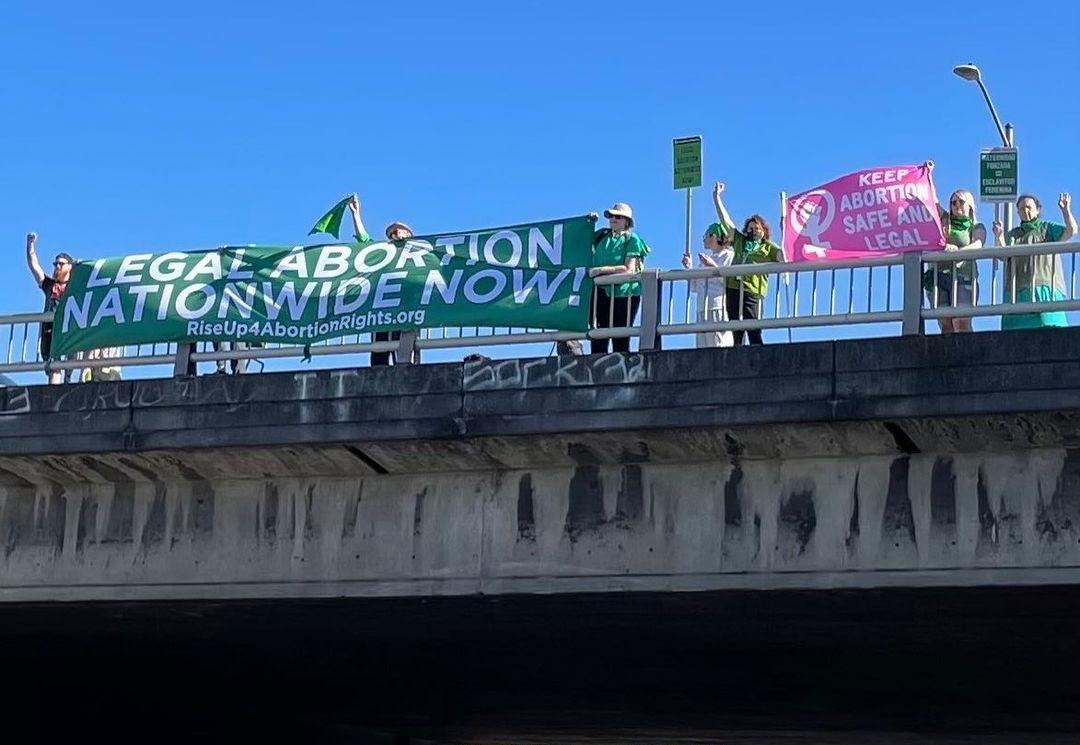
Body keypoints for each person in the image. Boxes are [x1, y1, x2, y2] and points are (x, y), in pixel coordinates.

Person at [347, 195, 419, 364]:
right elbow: (364, 242)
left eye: (400, 231)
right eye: (393, 232)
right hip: (382, 308)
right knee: (380, 350)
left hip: (405, 308)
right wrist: (356, 215)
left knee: (404, 349)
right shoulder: (382, 254)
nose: (397, 234)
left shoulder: (418, 255)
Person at [711, 182, 784, 346]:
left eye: (757, 228)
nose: (753, 230)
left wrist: (785, 233)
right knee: (735, 326)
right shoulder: (740, 240)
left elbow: (782, 257)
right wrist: (717, 198)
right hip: (734, 286)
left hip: (752, 288)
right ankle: (736, 353)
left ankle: (757, 352)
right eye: (750, 227)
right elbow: (726, 222)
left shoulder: (768, 247)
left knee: (753, 325)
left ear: (764, 230)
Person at [993, 193, 1077, 330]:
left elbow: (1071, 231)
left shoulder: (1047, 228)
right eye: (1021, 208)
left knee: (1050, 328)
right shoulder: (1013, 234)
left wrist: (1066, 210)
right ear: (1017, 212)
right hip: (1017, 291)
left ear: (1037, 209)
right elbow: (1002, 255)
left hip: (1045, 288)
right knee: (1016, 334)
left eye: (1029, 207)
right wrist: (999, 236)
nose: (1025, 211)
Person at [588, 202, 650, 355]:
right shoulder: (602, 235)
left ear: (626, 221)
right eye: (611, 216)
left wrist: (601, 271)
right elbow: (581, 238)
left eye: (618, 217)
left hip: (625, 294)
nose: (613, 219)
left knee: (620, 337)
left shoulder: (632, 239)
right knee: (598, 336)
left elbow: (629, 269)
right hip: (601, 292)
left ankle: (622, 370)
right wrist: (588, 223)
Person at [924, 189, 985, 333]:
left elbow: (978, 243)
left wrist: (957, 251)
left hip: (964, 276)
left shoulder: (976, 226)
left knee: (961, 321)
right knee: (945, 322)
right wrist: (927, 173)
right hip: (938, 276)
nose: (957, 205)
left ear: (969, 205)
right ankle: (947, 355)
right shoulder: (944, 221)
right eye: (953, 202)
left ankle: (967, 353)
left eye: (961, 201)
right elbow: (932, 200)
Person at [25, 232, 73, 385]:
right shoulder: (49, 285)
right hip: (49, 332)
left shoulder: (75, 286)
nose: (57, 267)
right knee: (54, 367)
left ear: (70, 267)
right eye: (55, 264)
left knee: (69, 361)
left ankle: (68, 379)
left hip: (68, 330)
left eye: (61, 264)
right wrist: (30, 245)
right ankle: (55, 392)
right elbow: (34, 265)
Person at [681, 222, 734, 348]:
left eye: (706, 236)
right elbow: (694, 287)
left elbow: (728, 280)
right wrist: (689, 268)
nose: (704, 239)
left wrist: (711, 266)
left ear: (714, 236)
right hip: (701, 306)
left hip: (717, 304)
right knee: (702, 345)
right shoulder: (705, 261)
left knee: (718, 344)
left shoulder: (728, 255)